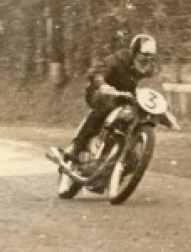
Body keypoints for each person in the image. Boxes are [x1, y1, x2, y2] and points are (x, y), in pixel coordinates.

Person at [53, 34, 159, 163]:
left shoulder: (151, 69)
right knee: (106, 104)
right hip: (102, 91)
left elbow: (153, 88)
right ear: (134, 54)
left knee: (136, 116)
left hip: (127, 98)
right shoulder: (119, 59)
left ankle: (123, 153)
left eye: (150, 59)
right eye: (143, 58)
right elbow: (98, 71)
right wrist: (102, 84)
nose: (146, 63)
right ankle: (76, 148)